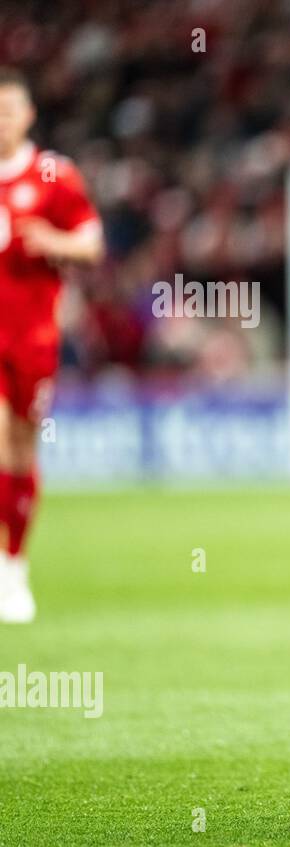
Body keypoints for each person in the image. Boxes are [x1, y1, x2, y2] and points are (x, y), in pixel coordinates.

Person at [0, 68, 104, 623]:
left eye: (9, 111)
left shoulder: (54, 175)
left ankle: (13, 566)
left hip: (33, 336)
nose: (2, 122)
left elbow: (92, 243)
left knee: (20, 449)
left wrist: (52, 241)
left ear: (29, 115)